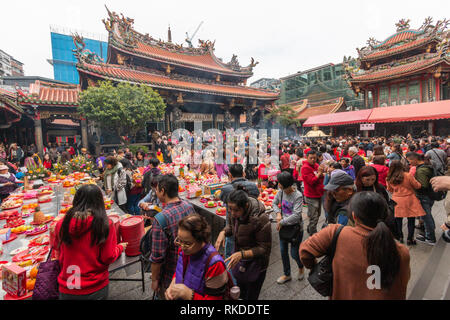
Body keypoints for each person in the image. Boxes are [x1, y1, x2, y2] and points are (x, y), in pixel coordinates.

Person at [300, 192, 411, 300]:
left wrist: (313, 266)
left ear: (354, 216)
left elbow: (305, 252)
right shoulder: (401, 251)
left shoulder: (334, 233)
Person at [52, 184, 127, 300]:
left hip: (67, 287)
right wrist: (120, 248)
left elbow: (56, 252)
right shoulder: (104, 224)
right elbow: (108, 257)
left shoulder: (61, 224)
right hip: (95, 287)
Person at [215, 186, 271, 300]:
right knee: (240, 292)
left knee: (251, 295)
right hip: (241, 261)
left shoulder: (260, 219)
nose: (232, 213)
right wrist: (223, 232)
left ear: (245, 206)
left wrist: (242, 254)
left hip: (256, 265)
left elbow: (264, 248)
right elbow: (231, 227)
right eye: (229, 209)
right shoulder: (233, 212)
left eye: (235, 210)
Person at [150, 174, 196, 299]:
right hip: (191, 269)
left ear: (163, 191)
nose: (156, 191)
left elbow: (157, 258)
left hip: (170, 276)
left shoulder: (160, 220)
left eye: (157, 189)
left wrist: (154, 279)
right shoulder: (189, 207)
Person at [165, 214, 230, 300]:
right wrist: (172, 285)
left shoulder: (215, 265)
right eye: (179, 240)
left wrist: (189, 294)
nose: (182, 246)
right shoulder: (183, 250)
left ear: (201, 239)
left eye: (188, 243)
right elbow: (180, 270)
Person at [220, 164, 259, 259]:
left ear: (230, 175)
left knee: (230, 253)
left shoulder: (226, 188)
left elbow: (222, 199)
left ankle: (230, 269)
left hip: (232, 224)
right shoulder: (253, 186)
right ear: (243, 173)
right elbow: (257, 196)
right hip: (250, 222)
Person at [271, 172, 304, 284]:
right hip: (284, 228)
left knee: (294, 253)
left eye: (279, 182)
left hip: (295, 229)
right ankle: (287, 274)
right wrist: (278, 214)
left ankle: (301, 267)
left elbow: (296, 216)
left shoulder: (298, 195)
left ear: (283, 184)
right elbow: (274, 204)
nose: (277, 184)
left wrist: (281, 222)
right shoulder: (280, 192)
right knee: (283, 252)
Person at [386, 160, 425, 245]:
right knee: (411, 219)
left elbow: (390, 189)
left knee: (398, 220)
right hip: (410, 199)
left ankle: (400, 236)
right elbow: (417, 186)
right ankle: (410, 238)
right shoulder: (408, 175)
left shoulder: (389, 178)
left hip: (397, 199)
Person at [406, 152, 437, 245]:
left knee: (426, 217)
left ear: (415, 159)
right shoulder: (427, 166)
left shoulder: (421, 170)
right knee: (427, 216)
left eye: (410, 161)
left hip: (424, 196)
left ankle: (430, 238)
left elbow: (422, 186)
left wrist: (413, 184)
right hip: (429, 195)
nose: (410, 163)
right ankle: (430, 232)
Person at [301, 150, 325, 235]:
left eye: (315, 158)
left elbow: (320, 177)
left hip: (318, 193)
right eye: (311, 158)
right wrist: (319, 173)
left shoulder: (316, 165)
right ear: (306, 158)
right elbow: (311, 181)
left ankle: (310, 228)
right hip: (311, 195)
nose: (313, 160)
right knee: (314, 216)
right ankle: (313, 233)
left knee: (318, 214)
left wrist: (322, 173)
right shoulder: (305, 168)